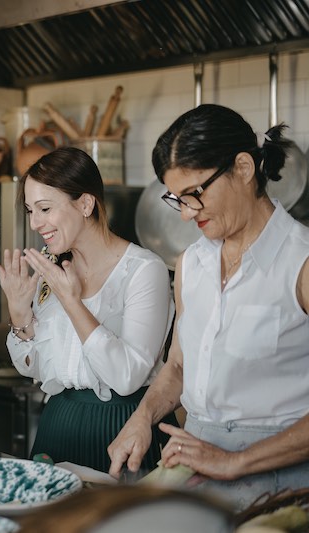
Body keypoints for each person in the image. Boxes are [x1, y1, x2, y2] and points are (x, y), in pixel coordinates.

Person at [107, 103, 309, 509]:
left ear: (243, 169)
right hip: (194, 464)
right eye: (176, 198)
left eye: (194, 194)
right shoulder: (191, 265)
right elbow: (179, 367)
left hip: (279, 479)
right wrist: (142, 419)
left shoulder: (301, 264)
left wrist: (236, 462)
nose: (185, 214)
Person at [0, 146, 175, 472]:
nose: (35, 223)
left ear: (86, 203)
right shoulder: (52, 269)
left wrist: (73, 302)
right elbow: (32, 369)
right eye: (30, 210)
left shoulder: (144, 270)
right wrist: (20, 313)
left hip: (123, 426)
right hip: (58, 424)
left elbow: (126, 377)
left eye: (45, 208)